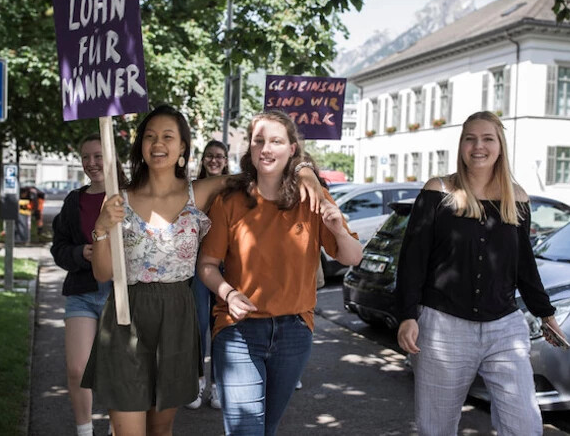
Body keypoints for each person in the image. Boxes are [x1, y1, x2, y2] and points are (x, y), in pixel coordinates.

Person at [81, 105, 323, 436]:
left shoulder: (200, 193)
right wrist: (101, 226)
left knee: (160, 430)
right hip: (126, 318)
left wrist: (306, 168)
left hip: (177, 319)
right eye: (149, 136)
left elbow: (264, 169)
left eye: (168, 136)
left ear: (183, 148)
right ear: (140, 146)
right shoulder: (119, 200)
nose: (157, 143)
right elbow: (103, 273)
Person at [394, 111, 569, 436]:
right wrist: (407, 315)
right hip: (443, 326)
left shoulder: (516, 197)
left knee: (525, 427)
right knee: (436, 429)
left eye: (487, 138)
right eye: (470, 138)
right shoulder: (438, 191)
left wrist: (545, 314)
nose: (478, 146)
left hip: (504, 328)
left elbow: (523, 264)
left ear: (500, 145)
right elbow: (412, 259)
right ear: (461, 146)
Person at [197, 110, 363, 435]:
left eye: (276, 141)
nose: (266, 149)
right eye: (259, 141)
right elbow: (206, 265)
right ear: (249, 149)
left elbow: (353, 256)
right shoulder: (230, 201)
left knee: (267, 429)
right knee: (247, 430)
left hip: (293, 332)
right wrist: (228, 293)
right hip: (238, 331)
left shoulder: (312, 197)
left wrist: (338, 230)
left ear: (292, 149)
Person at [50, 134, 125, 436]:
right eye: (85, 157)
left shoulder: (129, 196)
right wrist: (80, 253)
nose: (91, 163)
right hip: (82, 293)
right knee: (78, 369)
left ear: (110, 157)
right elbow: (59, 248)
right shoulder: (74, 200)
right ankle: (84, 430)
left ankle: (116, 427)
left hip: (120, 295)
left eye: (97, 156)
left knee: (116, 372)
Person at [186, 140, 230, 410]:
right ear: (203, 160)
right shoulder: (193, 190)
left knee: (221, 327)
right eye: (210, 156)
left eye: (220, 157)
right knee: (200, 324)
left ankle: (217, 387)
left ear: (226, 161)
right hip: (199, 264)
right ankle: (197, 382)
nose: (214, 161)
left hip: (227, 266)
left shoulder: (233, 190)